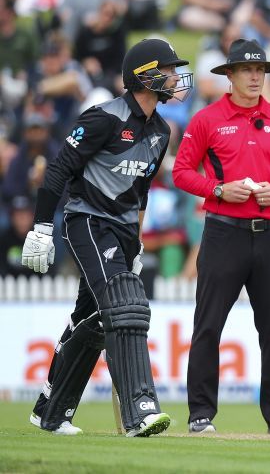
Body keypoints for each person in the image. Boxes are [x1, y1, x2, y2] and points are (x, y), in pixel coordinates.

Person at [21, 37, 193, 436]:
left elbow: (141, 192)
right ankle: (141, 411)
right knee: (126, 304)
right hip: (87, 221)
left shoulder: (161, 131)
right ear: (145, 76)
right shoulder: (103, 118)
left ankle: (51, 410)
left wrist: (137, 243)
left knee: (93, 319)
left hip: (122, 229)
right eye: (167, 70)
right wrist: (42, 226)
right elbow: (59, 169)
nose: (174, 77)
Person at [172, 39, 270, 435]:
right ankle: (200, 415)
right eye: (247, 70)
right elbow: (182, 171)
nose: (254, 77)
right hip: (222, 234)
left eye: (260, 70)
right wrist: (218, 190)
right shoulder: (207, 119)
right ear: (229, 75)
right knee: (208, 325)